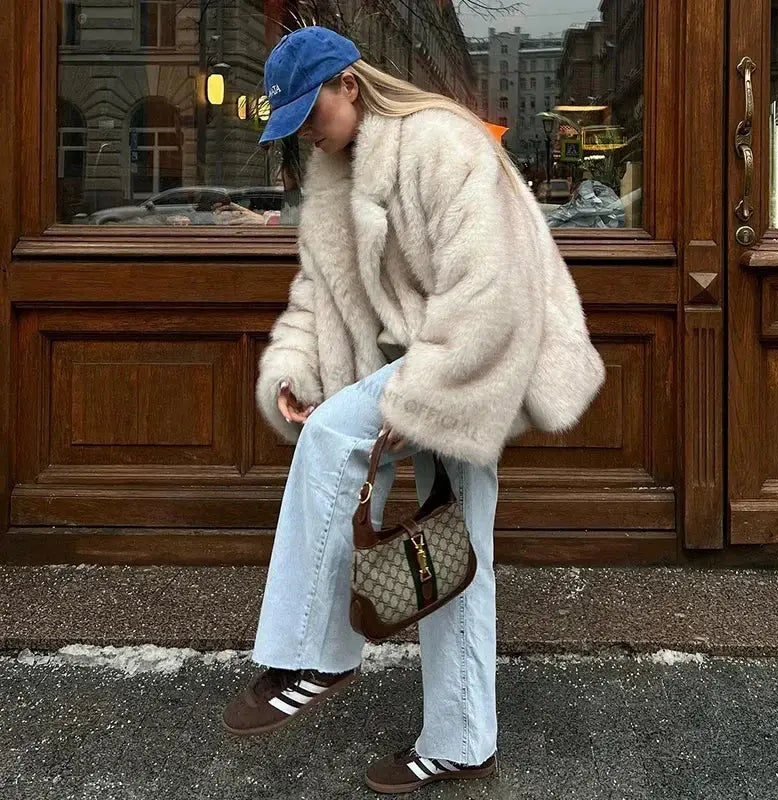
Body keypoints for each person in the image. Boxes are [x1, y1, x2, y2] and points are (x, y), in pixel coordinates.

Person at [222, 25, 605, 794]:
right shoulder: (337, 172)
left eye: (311, 112)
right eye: (292, 123)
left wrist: (423, 397)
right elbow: (320, 292)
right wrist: (296, 368)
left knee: (338, 440)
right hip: (426, 359)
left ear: (350, 86)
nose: (306, 133)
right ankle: (462, 742)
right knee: (452, 558)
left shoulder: (439, 142)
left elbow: (489, 286)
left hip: (482, 358)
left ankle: (313, 655)